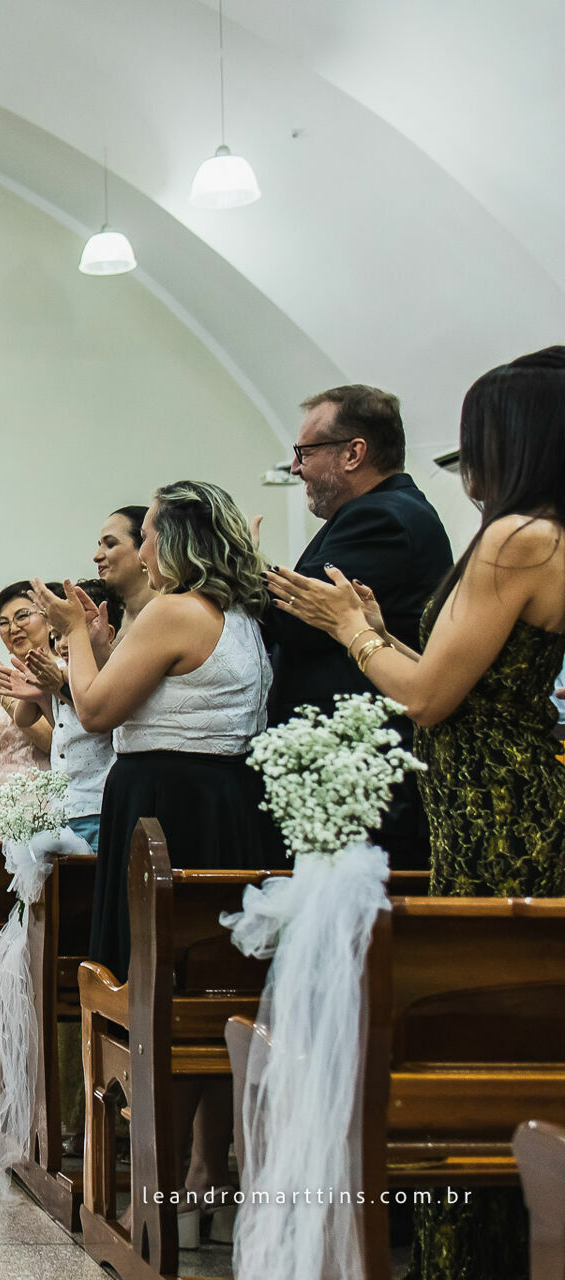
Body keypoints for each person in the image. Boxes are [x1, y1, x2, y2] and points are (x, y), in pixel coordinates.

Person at [266, 347, 565, 1280]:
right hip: (515, 783)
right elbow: (470, 678)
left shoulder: (520, 537)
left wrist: (350, 629)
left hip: (494, 800)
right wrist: (378, 628)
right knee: (520, 1026)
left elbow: (431, 698)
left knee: (471, 1033)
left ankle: (472, 1255)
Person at [37, 480, 275, 1226]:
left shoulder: (172, 609)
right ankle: (202, 1171)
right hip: (224, 804)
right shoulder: (237, 617)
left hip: (162, 808)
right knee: (213, 984)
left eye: (146, 536)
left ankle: (153, 1182)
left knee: (152, 981)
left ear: (169, 543)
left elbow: (99, 709)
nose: (137, 549)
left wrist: (75, 632)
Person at [260, 384, 453, 870]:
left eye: (305, 452)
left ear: (354, 453)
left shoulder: (382, 517)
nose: (298, 467)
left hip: (362, 774)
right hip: (346, 766)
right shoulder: (377, 512)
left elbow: (297, 621)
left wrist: (234, 567)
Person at [3, 580, 121, 852]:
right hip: (63, 805)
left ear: (106, 632)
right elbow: (27, 721)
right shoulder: (57, 671)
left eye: (69, 633)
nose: (62, 644)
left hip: (97, 803)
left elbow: (96, 720)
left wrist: (56, 684)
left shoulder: (109, 673)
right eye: (56, 636)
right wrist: (40, 693)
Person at [0, 581, 54, 821]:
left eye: (22, 616)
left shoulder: (59, 672)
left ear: (49, 619)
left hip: (40, 802)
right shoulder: (3, 675)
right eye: (3, 622)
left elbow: (50, 741)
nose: (12, 628)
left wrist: (1, 692)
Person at [93, 505, 157, 622]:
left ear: (143, 550)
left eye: (110, 544)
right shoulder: (106, 622)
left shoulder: (172, 612)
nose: (96, 557)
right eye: (100, 545)